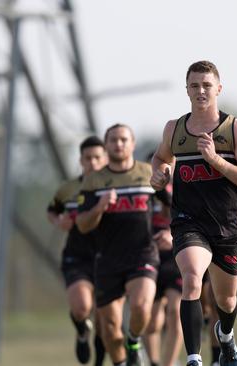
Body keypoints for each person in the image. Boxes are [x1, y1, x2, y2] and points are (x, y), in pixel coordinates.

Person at [151, 60, 237, 366]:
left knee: (226, 301)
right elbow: (161, 158)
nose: (201, 91)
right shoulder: (175, 129)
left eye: (206, 85)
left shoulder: (235, 129)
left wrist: (216, 161)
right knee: (191, 279)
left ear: (218, 89)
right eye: (194, 85)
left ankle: (226, 335)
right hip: (189, 222)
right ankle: (194, 359)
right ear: (186, 89)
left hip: (228, 225)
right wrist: (159, 174)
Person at [77, 124, 160, 366]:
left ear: (132, 144)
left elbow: (172, 208)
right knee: (111, 331)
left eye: (124, 139)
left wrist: (168, 233)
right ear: (107, 146)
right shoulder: (94, 181)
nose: (119, 144)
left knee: (141, 307)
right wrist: (100, 206)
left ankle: (134, 340)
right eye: (113, 140)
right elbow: (82, 224)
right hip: (108, 260)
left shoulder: (148, 173)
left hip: (142, 254)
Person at [47, 136, 107, 365]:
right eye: (88, 158)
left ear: (105, 159)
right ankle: (82, 331)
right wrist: (58, 221)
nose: (93, 162)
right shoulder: (69, 188)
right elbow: (52, 210)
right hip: (77, 256)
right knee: (82, 307)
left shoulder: (114, 185)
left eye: (97, 157)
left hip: (107, 256)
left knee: (104, 319)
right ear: (81, 160)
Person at [143, 152, 183, 366]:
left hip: (176, 256)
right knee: (152, 319)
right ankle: (154, 361)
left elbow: (190, 221)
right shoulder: (143, 190)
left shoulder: (182, 189)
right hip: (149, 256)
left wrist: (171, 235)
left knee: (176, 312)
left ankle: (169, 363)